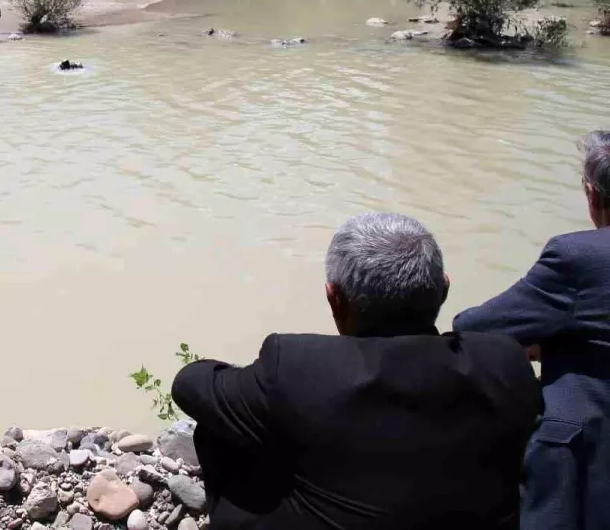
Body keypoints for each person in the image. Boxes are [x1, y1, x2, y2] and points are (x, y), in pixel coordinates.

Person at [172, 212, 541, 530]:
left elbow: (190, 385)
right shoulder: (504, 362)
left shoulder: (299, 366)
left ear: (334, 297)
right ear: (444, 291)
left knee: (225, 428)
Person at [454, 130, 610, 530]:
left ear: (592, 194)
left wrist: (546, 338)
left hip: (585, 467)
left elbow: (474, 327)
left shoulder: (579, 256)